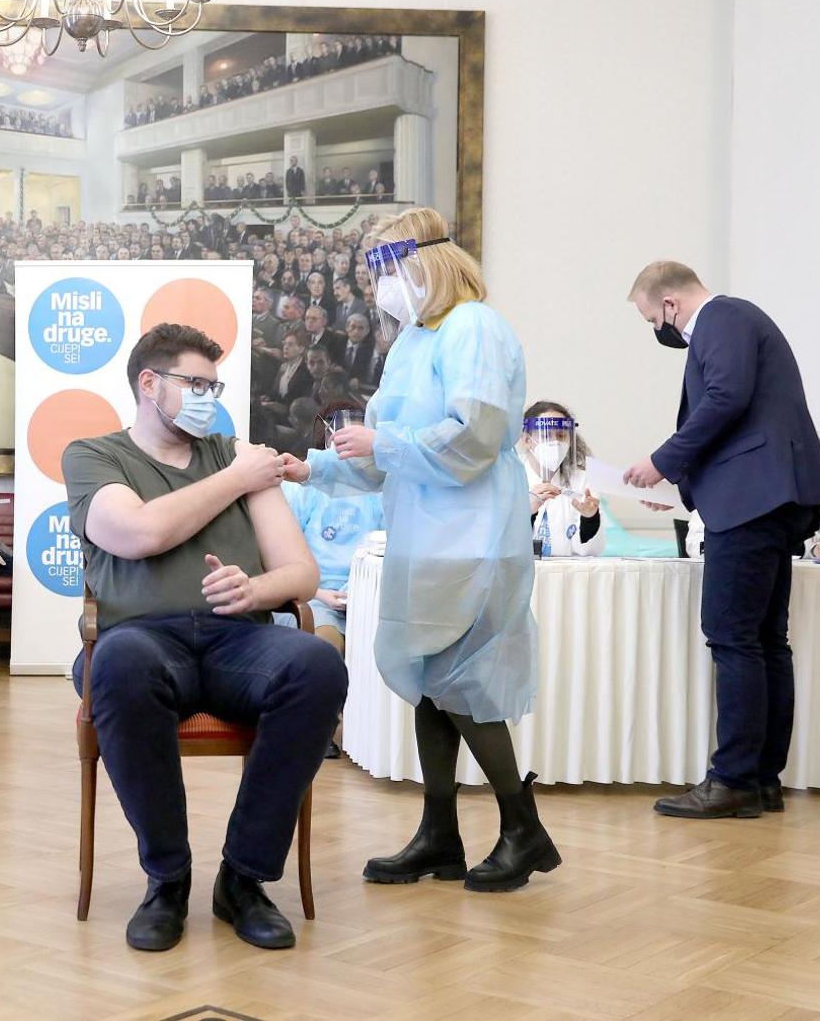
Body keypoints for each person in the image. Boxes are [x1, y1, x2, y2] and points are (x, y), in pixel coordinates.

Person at [283, 207, 556, 893]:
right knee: (434, 685)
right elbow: (379, 460)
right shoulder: (412, 342)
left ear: (424, 263)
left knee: (464, 683)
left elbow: (473, 436)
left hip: (473, 534)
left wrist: (386, 444)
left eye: (387, 271)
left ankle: (523, 829)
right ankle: (440, 834)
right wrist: (312, 468)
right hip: (424, 535)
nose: (381, 289)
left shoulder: (474, 328)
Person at [64, 322, 347, 953]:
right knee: (118, 662)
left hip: (236, 643)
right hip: (141, 641)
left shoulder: (237, 456)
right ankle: (167, 880)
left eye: (213, 386)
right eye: (195, 384)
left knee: (316, 665)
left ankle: (243, 879)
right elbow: (139, 533)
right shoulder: (95, 456)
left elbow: (300, 574)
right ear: (149, 384)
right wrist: (239, 478)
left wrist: (257, 590)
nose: (208, 398)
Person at [624, 260, 820, 819]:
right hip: (768, 498)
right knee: (765, 639)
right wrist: (678, 487)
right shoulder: (738, 321)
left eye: (652, 320)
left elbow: (725, 399)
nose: (657, 331)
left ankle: (734, 780)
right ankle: (762, 779)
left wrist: (663, 461)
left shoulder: (721, 318)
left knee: (734, 637)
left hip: (751, 503)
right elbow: (740, 421)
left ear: (669, 304)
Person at [277, 402, 386, 655]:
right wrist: (319, 593)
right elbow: (280, 558)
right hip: (314, 598)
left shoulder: (380, 491)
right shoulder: (302, 488)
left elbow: (387, 549)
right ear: (326, 436)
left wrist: (360, 593)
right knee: (327, 646)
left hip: (368, 598)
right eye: (344, 436)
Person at [517, 401, 604, 557]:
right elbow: (502, 543)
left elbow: (589, 552)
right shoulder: (511, 478)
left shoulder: (583, 481)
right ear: (526, 439)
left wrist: (589, 519)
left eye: (561, 435)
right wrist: (526, 512)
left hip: (567, 570)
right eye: (546, 435)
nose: (555, 443)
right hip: (520, 570)